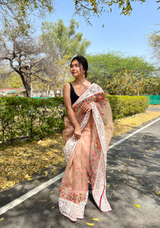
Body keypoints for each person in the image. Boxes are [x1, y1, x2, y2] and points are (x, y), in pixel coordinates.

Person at [58, 56, 113, 222]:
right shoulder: (68, 86)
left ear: (84, 69)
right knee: (77, 165)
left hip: (92, 132)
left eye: (77, 66)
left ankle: (88, 192)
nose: (73, 68)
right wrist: (76, 127)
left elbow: (104, 109)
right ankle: (75, 201)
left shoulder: (94, 88)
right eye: (71, 66)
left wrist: (93, 105)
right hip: (77, 131)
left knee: (90, 164)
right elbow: (69, 108)